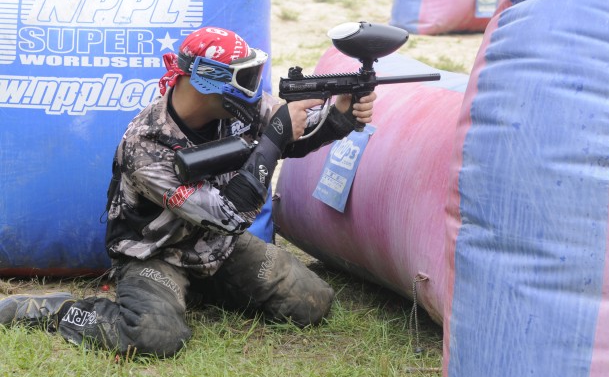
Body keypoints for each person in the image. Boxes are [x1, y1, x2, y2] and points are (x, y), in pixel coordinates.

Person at [0, 27, 375, 357]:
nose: (252, 86)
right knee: (153, 334)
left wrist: (339, 116)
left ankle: (201, 288)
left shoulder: (238, 108)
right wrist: (274, 138)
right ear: (205, 80)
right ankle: (57, 310)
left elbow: (296, 130)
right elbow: (229, 215)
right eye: (243, 76)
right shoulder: (146, 146)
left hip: (216, 247)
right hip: (156, 255)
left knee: (310, 302)